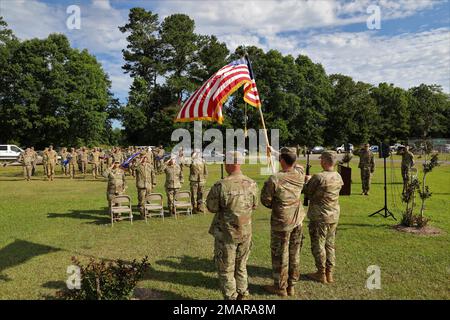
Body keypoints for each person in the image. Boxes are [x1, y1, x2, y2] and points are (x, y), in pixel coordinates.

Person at [206, 151, 258, 300]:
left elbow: (211, 207)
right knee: (241, 265)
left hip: (227, 234)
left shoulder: (221, 185)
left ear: (229, 163)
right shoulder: (252, 183)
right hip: (245, 232)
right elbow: (254, 205)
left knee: (226, 269)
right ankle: (243, 293)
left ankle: (231, 298)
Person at [260, 147, 305, 297]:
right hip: (298, 220)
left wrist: (276, 204)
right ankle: (291, 285)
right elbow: (296, 163)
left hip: (282, 221)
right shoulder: (300, 173)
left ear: (282, 161)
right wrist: (276, 153)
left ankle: (280, 287)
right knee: (294, 253)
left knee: (280, 255)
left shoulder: (275, 178)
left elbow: (265, 200)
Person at [304, 150, 343, 284]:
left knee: (318, 244)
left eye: (321, 159)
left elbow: (308, 192)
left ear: (325, 161)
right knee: (330, 245)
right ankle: (329, 273)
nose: (320, 161)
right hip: (333, 215)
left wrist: (307, 181)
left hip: (320, 216)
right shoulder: (338, 176)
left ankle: (321, 273)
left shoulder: (319, 177)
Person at [135, 153, 156, 218]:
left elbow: (153, 175)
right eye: (143, 157)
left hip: (148, 185)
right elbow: (133, 168)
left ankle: (147, 212)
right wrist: (139, 161)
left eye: (145, 157)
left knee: (149, 199)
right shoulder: (138, 166)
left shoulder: (150, 166)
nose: (144, 159)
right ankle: (142, 214)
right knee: (141, 200)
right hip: (141, 185)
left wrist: (154, 183)